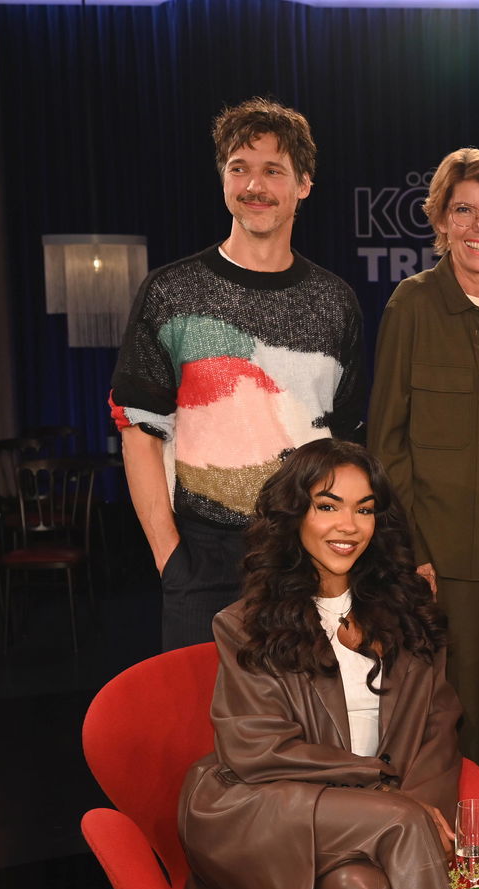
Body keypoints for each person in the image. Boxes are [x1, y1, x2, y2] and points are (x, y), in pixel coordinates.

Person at [172, 439, 460, 889]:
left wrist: (416, 796)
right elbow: (256, 748)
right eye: (328, 506)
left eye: (364, 508)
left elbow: (438, 726)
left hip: (369, 818)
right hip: (264, 806)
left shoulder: (410, 611)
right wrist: (384, 787)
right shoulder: (244, 623)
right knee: (403, 825)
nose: (347, 526)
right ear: (295, 514)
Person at [111, 97, 365, 653]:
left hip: (308, 553)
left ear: (303, 184)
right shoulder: (171, 292)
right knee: (199, 730)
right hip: (201, 558)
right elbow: (138, 430)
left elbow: (349, 449)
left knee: (306, 726)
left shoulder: (335, 302)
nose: (255, 185)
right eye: (239, 168)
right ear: (223, 180)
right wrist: (169, 557)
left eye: (273, 170)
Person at [367, 148, 479, 764]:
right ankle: (463, 838)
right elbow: (386, 440)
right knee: (460, 695)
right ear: (440, 220)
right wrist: (411, 550)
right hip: (445, 536)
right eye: (465, 210)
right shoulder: (413, 303)